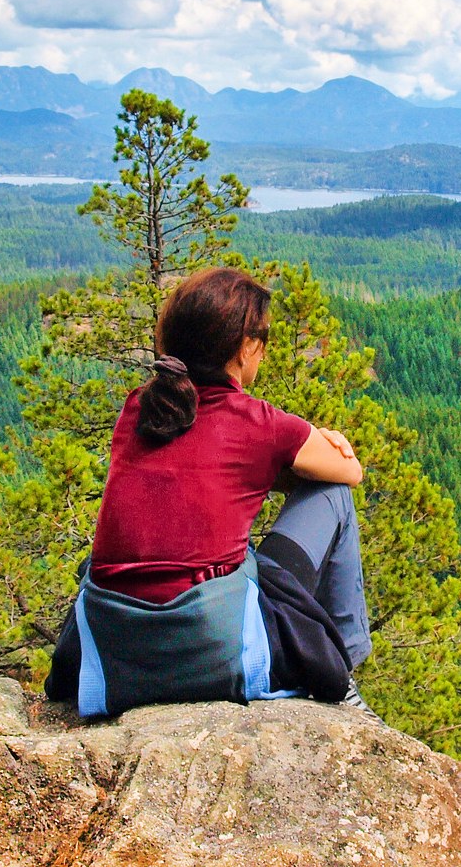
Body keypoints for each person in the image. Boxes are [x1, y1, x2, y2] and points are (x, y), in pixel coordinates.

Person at [45, 267, 377, 718]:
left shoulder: (138, 408)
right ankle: (344, 671)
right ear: (244, 347)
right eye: (263, 339)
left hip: (117, 650)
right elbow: (348, 472)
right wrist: (326, 438)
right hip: (214, 648)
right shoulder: (260, 423)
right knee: (333, 496)